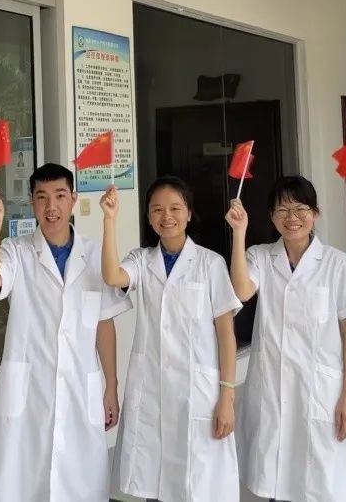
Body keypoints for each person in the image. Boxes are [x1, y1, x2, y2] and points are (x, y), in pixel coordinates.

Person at [0, 163, 130, 502]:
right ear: (31, 201)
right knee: (20, 478)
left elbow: (104, 323)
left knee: (79, 481)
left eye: (60, 196)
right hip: (29, 388)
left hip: (80, 386)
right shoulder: (16, 251)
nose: (51, 207)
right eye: (42, 197)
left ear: (73, 199)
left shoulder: (95, 254)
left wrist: (111, 385)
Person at [229, 176, 346, 502]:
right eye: (282, 210)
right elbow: (241, 291)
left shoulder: (337, 264)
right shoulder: (259, 257)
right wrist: (238, 233)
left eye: (300, 209)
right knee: (276, 481)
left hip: (321, 391)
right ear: (271, 216)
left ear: (315, 214)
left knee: (321, 484)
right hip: (272, 389)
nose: (291, 217)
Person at [100, 176, 243, 502]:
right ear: (149, 218)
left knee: (196, 485)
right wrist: (109, 221)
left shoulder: (210, 263)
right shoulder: (141, 260)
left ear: (189, 213)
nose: (167, 216)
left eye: (175, 208)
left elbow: (226, 334)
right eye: (158, 210)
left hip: (198, 392)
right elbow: (112, 275)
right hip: (151, 388)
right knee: (153, 481)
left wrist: (227, 396)